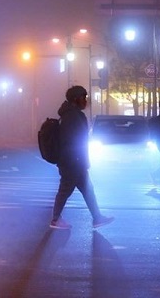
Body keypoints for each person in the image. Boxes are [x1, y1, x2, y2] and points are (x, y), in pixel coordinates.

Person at [50, 85, 115, 230]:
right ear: (76, 99)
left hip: (75, 161)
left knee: (87, 189)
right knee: (65, 189)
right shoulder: (72, 116)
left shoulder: (71, 114)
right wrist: (78, 160)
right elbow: (71, 140)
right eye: (83, 97)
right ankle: (55, 219)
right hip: (72, 162)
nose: (85, 100)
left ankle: (97, 218)